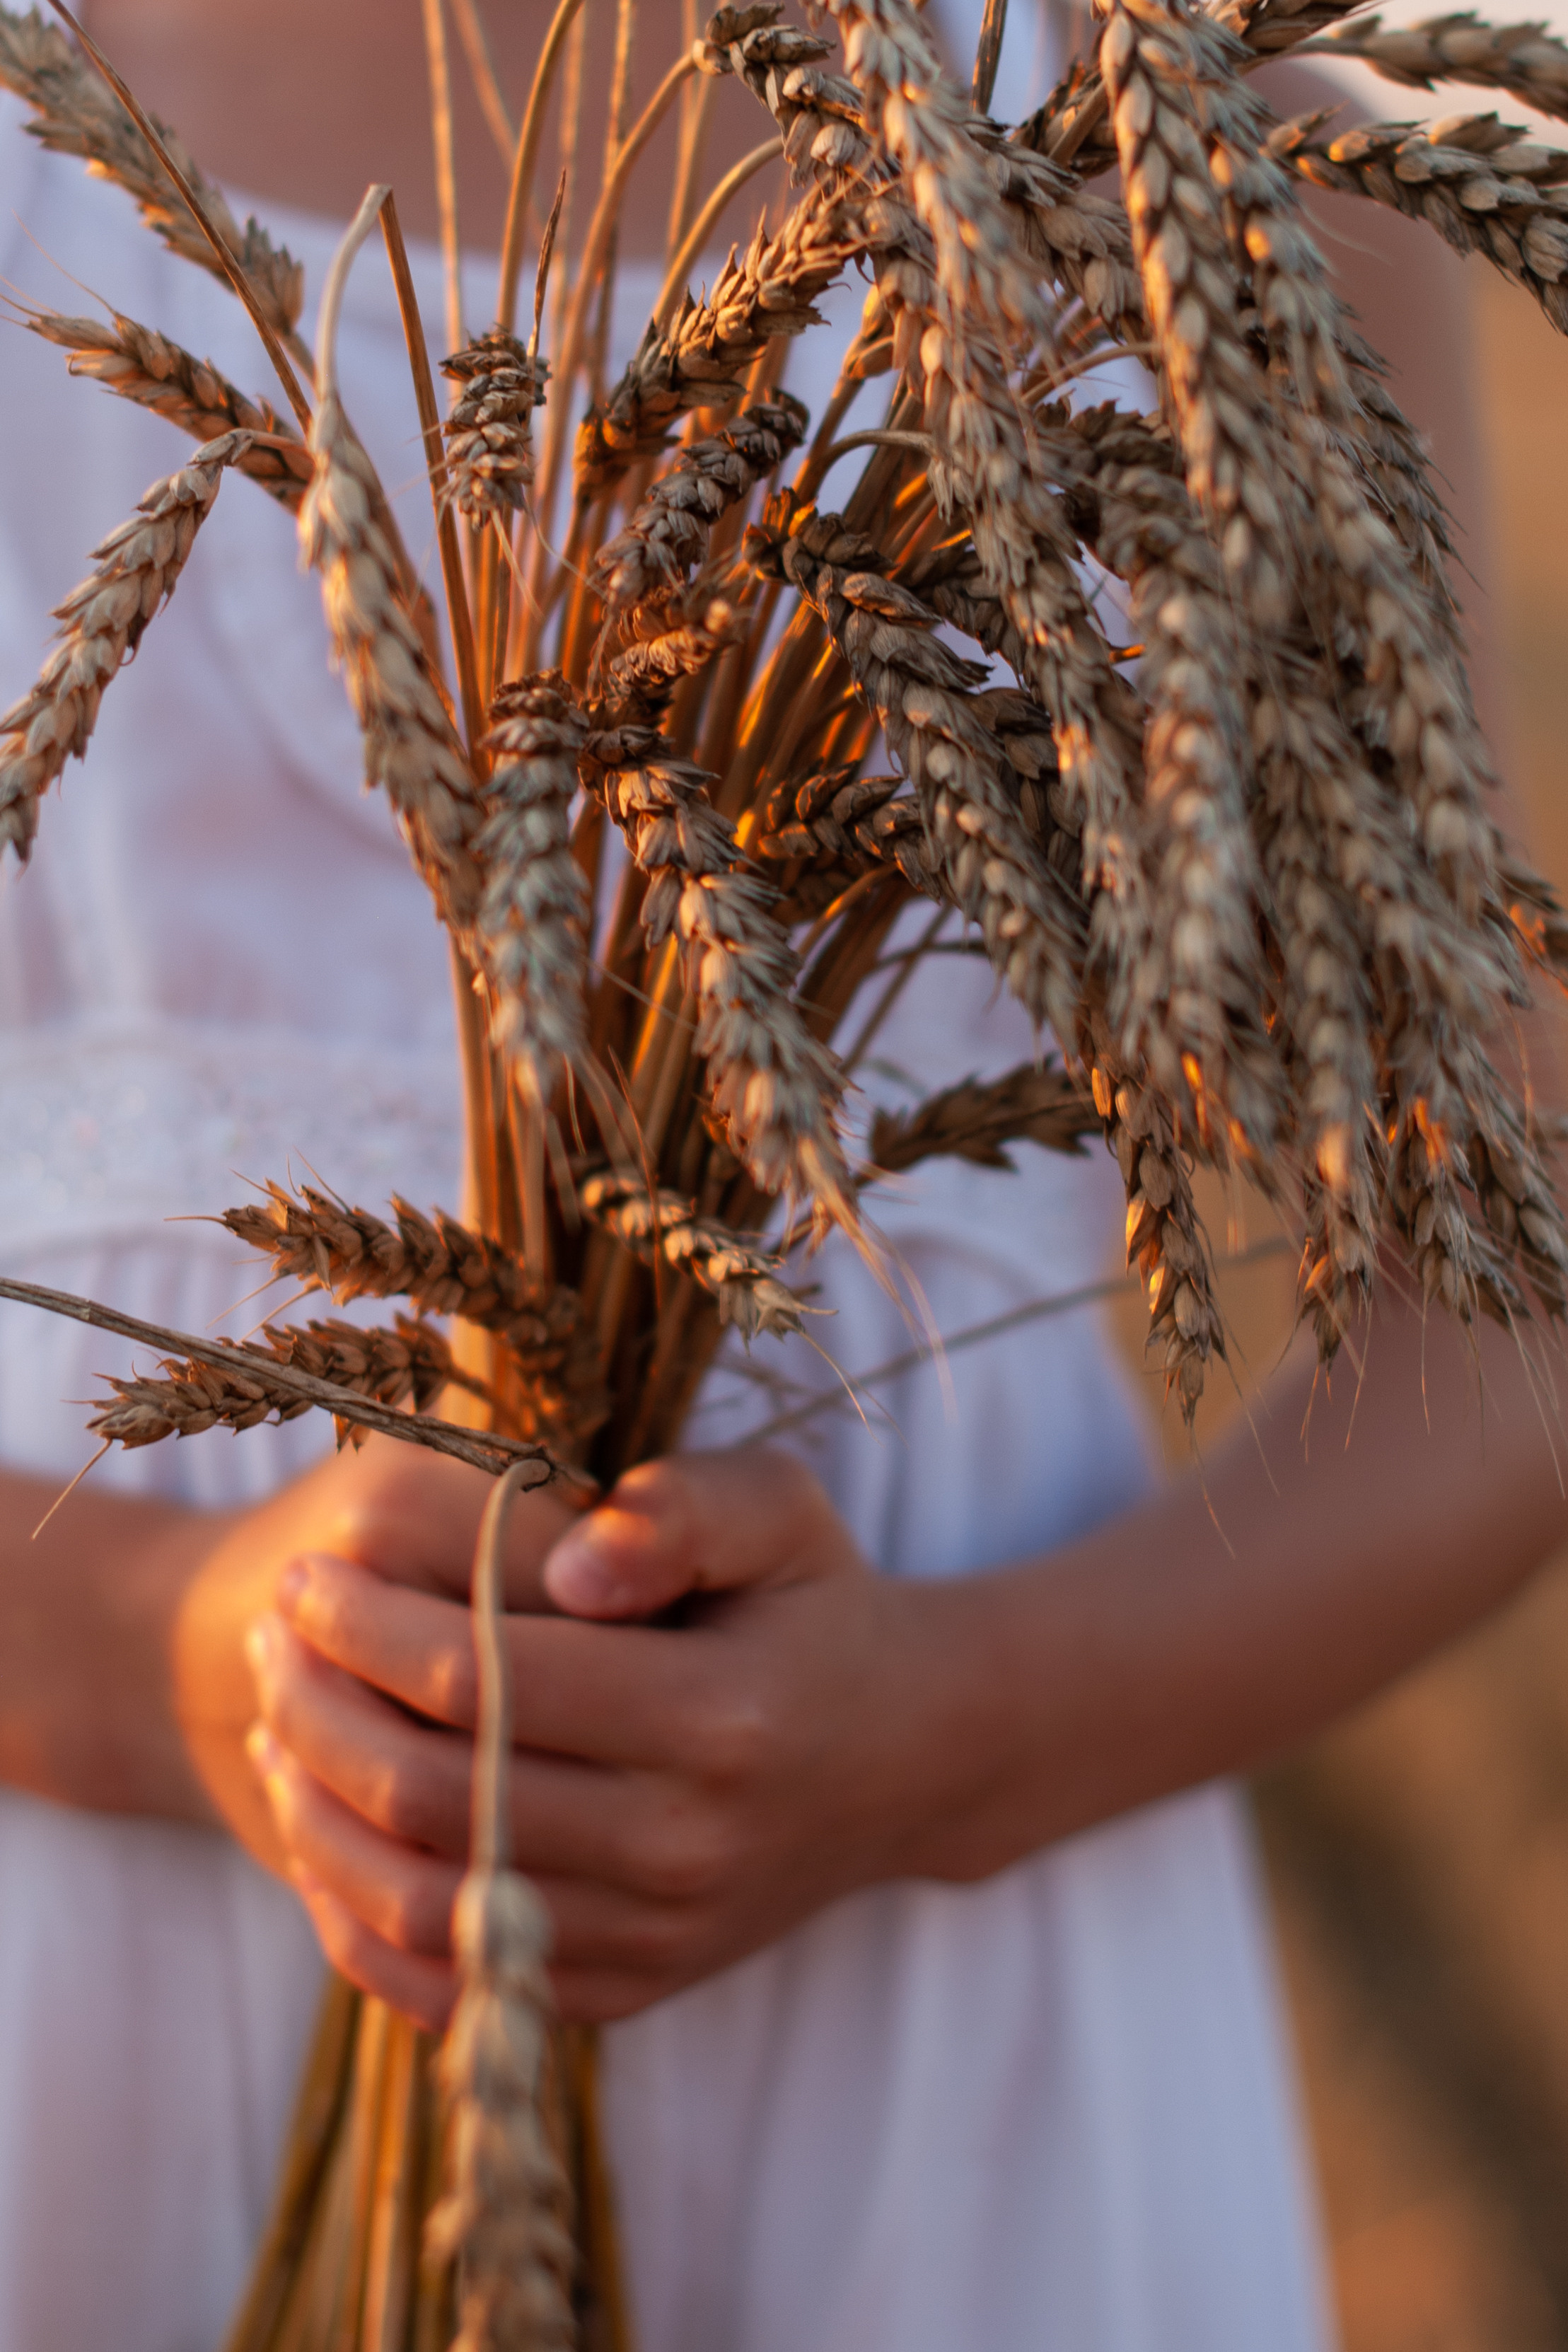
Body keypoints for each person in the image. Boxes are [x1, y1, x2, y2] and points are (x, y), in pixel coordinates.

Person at [0, 2, 1561, 2349]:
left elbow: (1504, 1304)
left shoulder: (1214, 151)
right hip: (83, 1930)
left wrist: (961, 1733)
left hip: (959, 1988)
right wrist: (168, 1667)